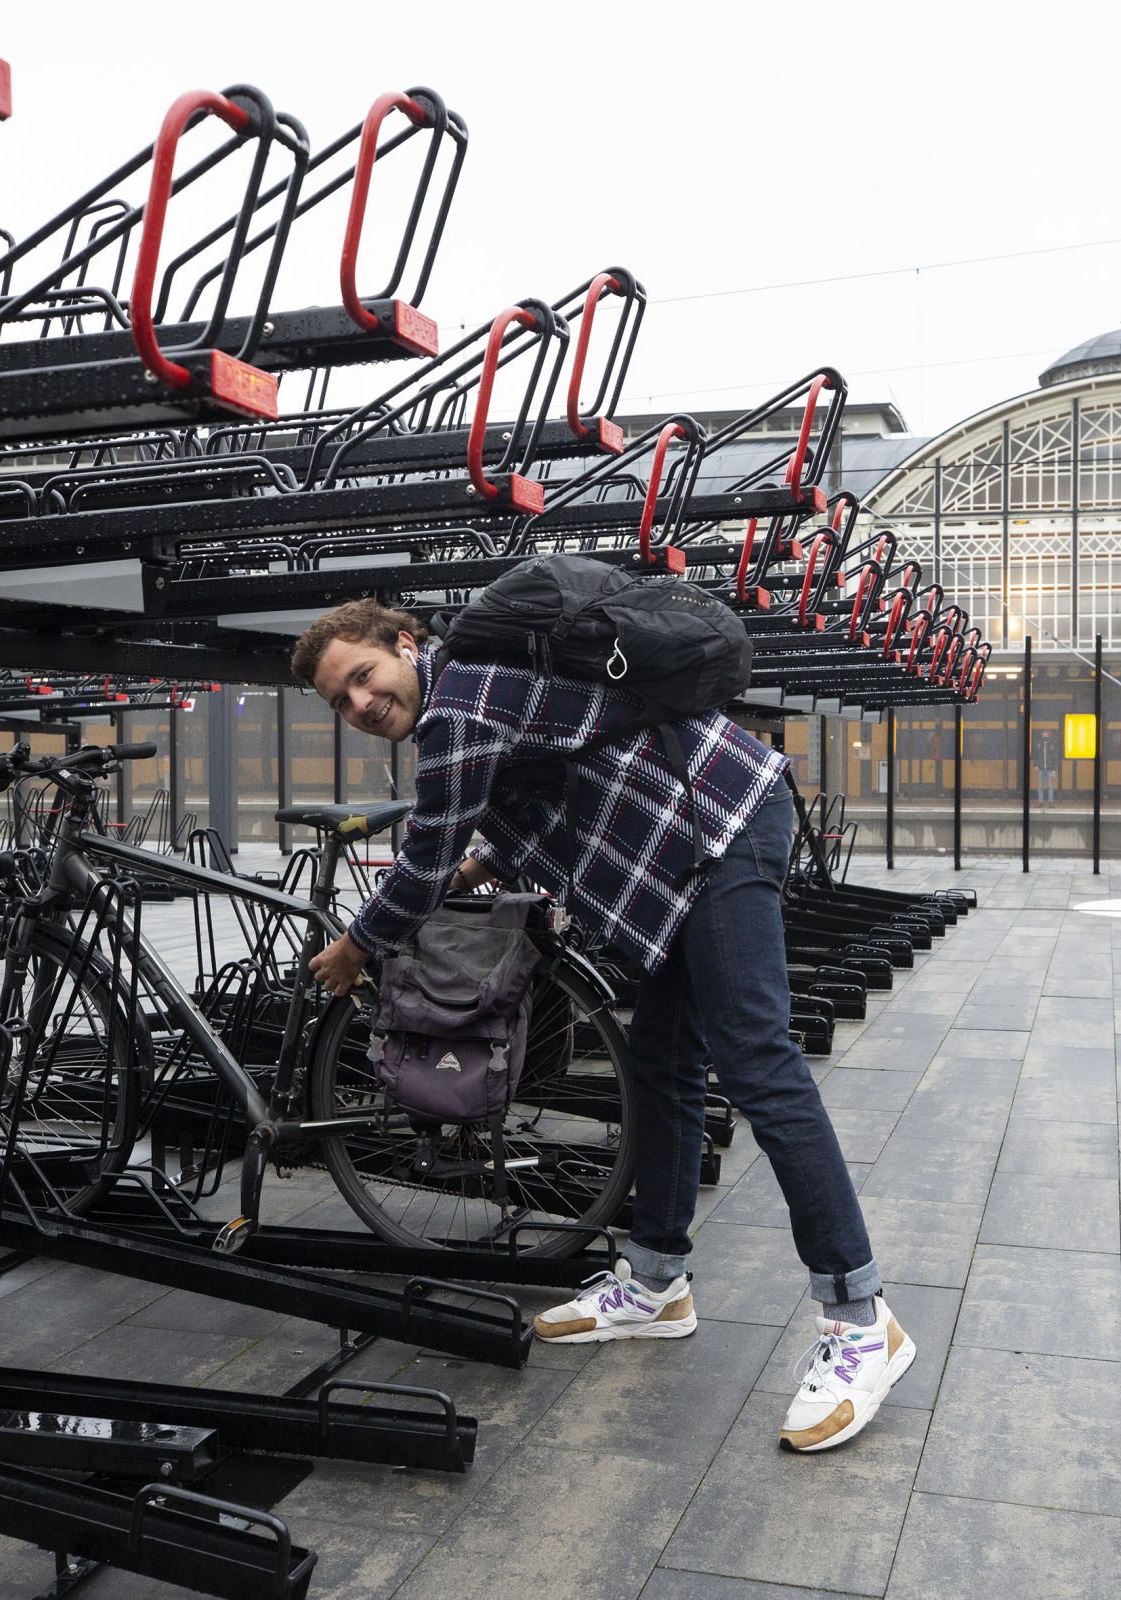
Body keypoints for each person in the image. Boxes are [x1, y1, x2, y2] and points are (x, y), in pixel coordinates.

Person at [291, 598, 912, 1453]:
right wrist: (485, 861)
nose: (360, 705)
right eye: (340, 701)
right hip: (678, 857)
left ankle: (860, 1319)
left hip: (717, 831)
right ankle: (657, 1282)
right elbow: (545, 788)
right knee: (662, 1065)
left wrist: (357, 946)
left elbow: (427, 846)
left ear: (405, 646)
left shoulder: (456, 701)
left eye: (362, 677)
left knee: (760, 1063)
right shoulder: (473, 696)